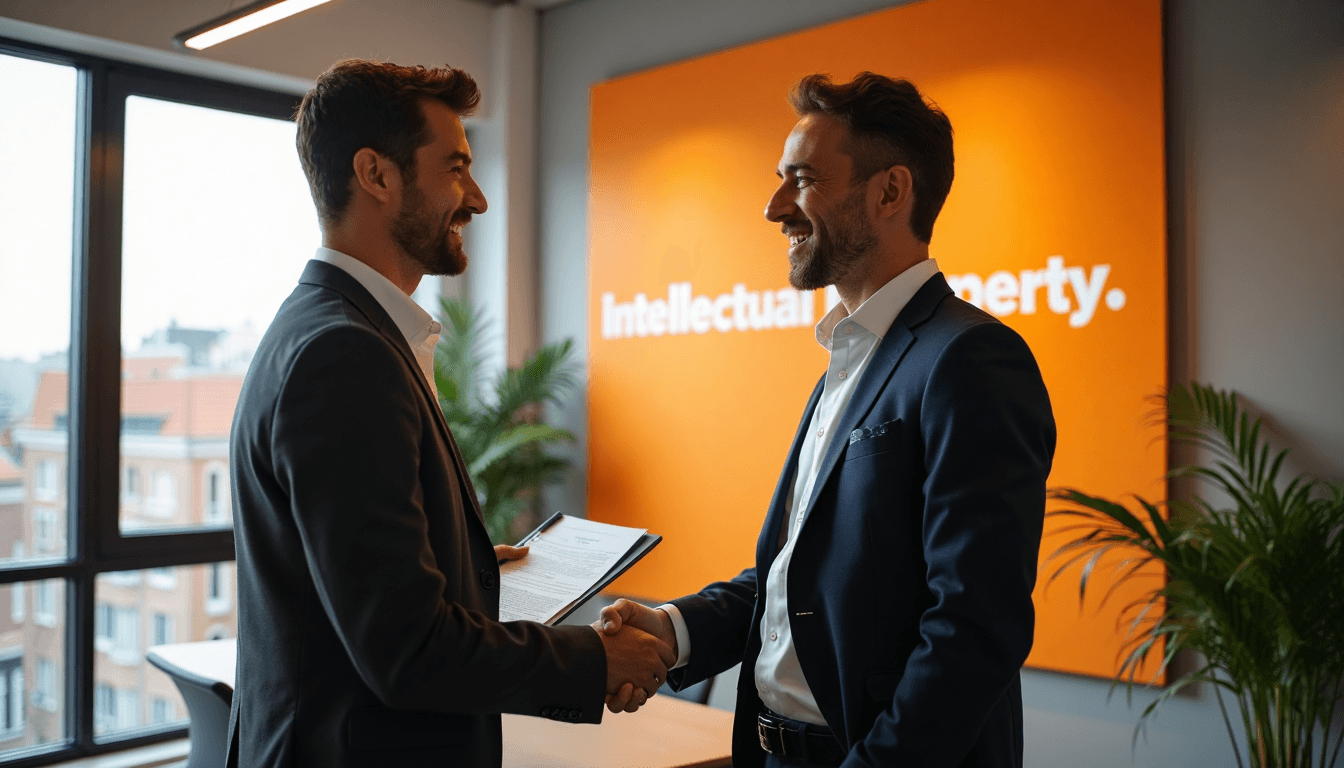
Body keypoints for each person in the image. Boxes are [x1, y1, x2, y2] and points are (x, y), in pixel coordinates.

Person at [601, 72, 1056, 768]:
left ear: (890, 192)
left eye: (803, 179)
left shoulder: (970, 358)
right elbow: (801, 576)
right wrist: (673, 628)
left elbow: (973, 626)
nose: (773, 207)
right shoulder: (848, 357)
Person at [227, 59, 670, 768]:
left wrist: (458, 568)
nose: (479, 199)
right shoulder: (346, 353)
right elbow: (407, 652)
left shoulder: (320, 328)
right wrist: (593, 659)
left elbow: (349, 582)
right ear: (376, 175)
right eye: (455, 168)